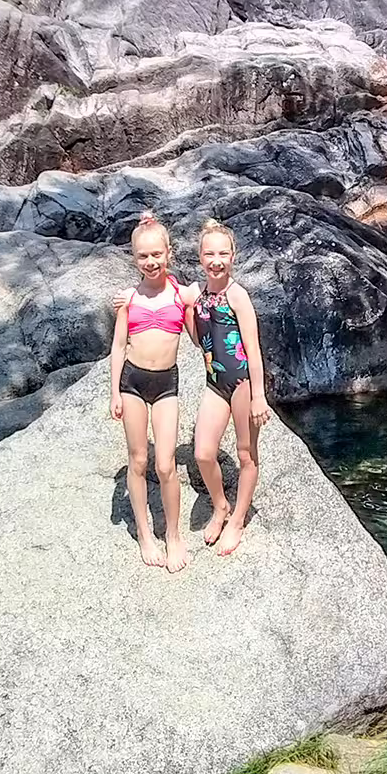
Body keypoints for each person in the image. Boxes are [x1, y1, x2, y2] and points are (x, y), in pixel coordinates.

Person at [108, 213, 195, 573]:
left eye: (156, 254)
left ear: (169, 254)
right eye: (143, 256)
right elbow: (117, 347)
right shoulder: (129, 300)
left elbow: (199, 336)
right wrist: (114, 391)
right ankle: (145, 532)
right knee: (139, 459)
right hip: (132, 382)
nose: (151, 262)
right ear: (134, 259)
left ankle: (173, 535)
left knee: (166, 464)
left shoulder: (179, 296)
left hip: (165, 385)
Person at [188, 220, 269, 555]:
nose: (216, 260)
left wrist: (259, 396)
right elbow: (199, 341)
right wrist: (188, 309)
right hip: (215, 382)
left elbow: (253, 347)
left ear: (233, 256)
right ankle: (220, 505)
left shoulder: (238, 295)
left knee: (246, 454)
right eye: (209, 253)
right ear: (200, 257)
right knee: (202, 453)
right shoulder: (200, 296)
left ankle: (237, 520)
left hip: (242, 383)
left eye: (223, 253)